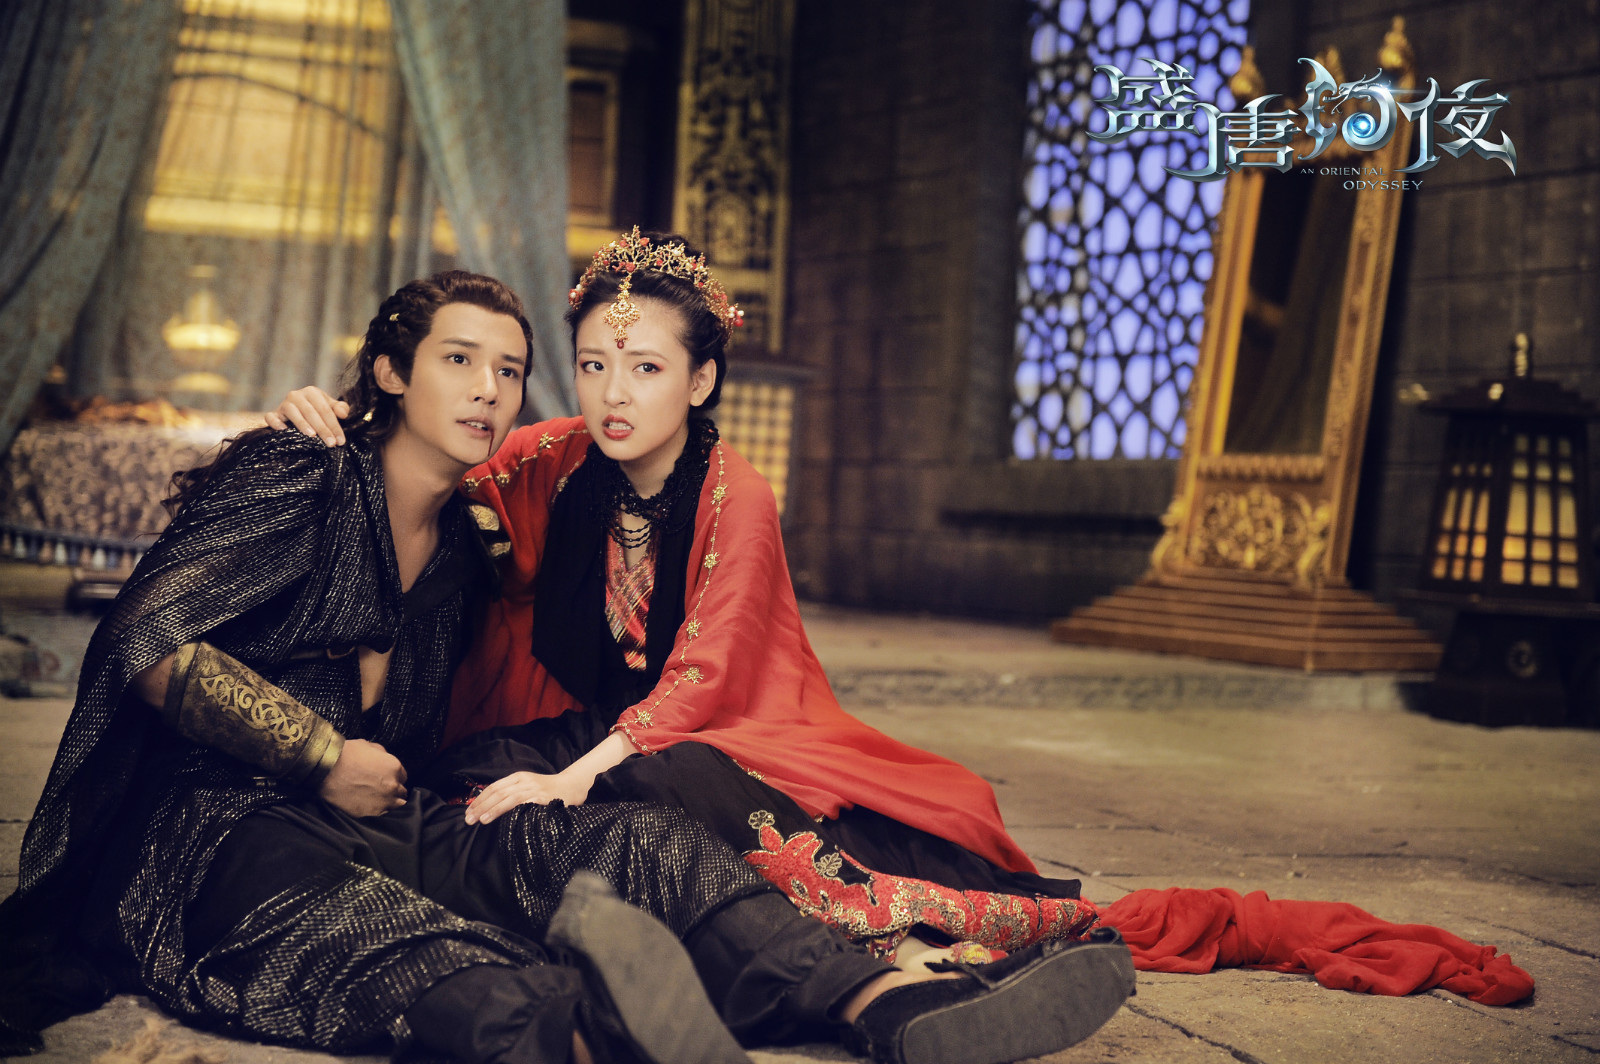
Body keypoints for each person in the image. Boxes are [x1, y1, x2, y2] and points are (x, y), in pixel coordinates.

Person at [0, 270, 1139, 1064]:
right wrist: (319, 752)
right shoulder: (298, 471)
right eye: (458, 360)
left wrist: (544, 780)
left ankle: (886, 1003)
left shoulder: (470, 538)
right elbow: (149, 642)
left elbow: (603, 553)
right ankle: (593, 1033)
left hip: (390, 808)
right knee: (389, 936)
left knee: (636, 841)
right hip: (215, 821)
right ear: (390, 370)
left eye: (510, 369)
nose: (489, 388)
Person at [270, 232, 1103, 966]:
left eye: (646, 368)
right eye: (593, 366)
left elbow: (703, 680)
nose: (614, 395)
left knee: (665, 786)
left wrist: (573, 781)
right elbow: (428, 470)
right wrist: (335, 426)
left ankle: (898, 945)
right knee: (467, 780)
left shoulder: (736, 496)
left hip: (712, 738)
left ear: (700, 380)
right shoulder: (553, 455)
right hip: (591, 725)